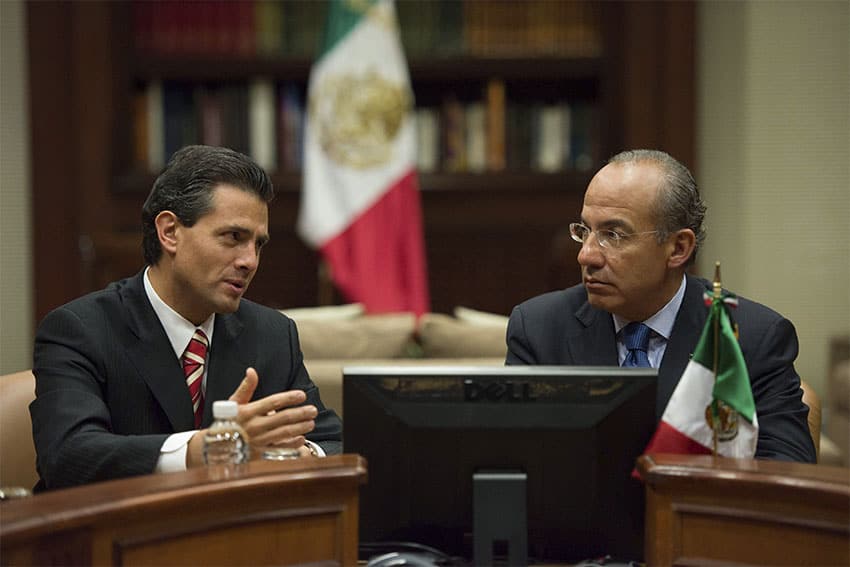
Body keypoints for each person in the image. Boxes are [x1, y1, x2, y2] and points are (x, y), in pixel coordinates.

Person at [31, 145, 342, 491]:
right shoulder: (80, 329)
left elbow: (333, 442)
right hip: (118, 535)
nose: (250, 261)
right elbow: (67, 456)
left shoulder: (271, 334)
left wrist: (301, 454)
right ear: (169, 232)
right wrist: (199, 451)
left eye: (258, 244)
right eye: (234, 238)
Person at [506, 149, 815, 463]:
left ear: (678, 248)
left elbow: (787, 472)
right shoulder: (539, 329)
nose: (586, 256)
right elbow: (512, 462)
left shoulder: (751, 338)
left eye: (613, 234)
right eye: (584, 231)